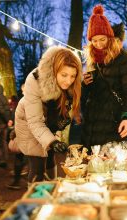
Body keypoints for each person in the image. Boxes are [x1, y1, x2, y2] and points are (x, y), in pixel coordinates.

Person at [15, 46, 81, 185]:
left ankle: (52, 189)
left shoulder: (70, 85)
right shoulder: (34, 80)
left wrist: (59, 122)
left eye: (73, 76)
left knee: (51, 157)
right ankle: (34, 202)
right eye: (64, 75)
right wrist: (53, 141)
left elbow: (58, 109)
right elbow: (35, 122)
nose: (68, 81)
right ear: (54, 70)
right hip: (28, 119)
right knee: (38, 162)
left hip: (46, 122)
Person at [81, 5, 127, 152]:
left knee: (112, 170)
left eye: (102, 39)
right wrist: (85, 85)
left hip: (113, 124)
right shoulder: (92, 60)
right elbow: (89, 95)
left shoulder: (123, 58)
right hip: (91, 127)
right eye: (94, 41)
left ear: (109, 37)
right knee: (92, 170)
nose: (99, 44)